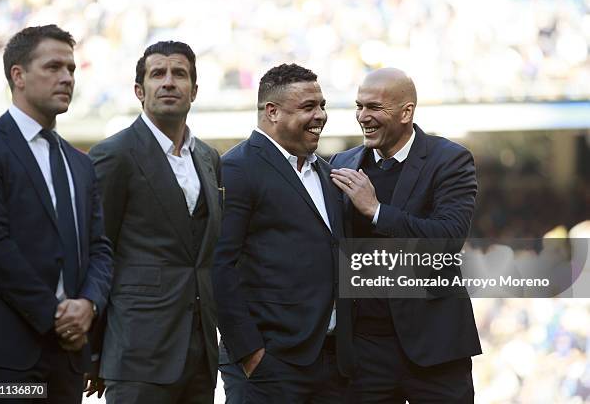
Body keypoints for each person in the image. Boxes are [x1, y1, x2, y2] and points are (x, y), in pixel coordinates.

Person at [0, 24, 112, 403]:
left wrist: (89, 304)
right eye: (53, 67)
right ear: (17, 75)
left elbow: (100, 248)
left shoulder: (80, 164)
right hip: (7, 360)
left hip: (68, 359)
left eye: (71, 69)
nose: (67, 77)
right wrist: (56, 315)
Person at [330, 68, 481, 403]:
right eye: (359, 106)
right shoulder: (342, 163)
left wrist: (377, 211)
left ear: (406, 112)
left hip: (435, 347)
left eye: (374, 107)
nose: (363, 117)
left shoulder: (449, 160)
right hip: (365, 351)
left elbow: (448, 239)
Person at [86, 41, 222, 404]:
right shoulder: (113, 155)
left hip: (201, 352)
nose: (168, 82)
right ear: (139, 90)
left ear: (194, 90)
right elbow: (97, 253)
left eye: (179, 74)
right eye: (157, 74)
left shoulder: (208, 157)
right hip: (135, 353)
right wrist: (94, 352)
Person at [213, 63, 354, 403]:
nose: (320, 115)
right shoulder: (236, 169)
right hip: (270, 366)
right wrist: (250, 353)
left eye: (322, 106)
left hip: (332, 364)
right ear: (272, 112)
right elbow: (218, 266)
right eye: (308, 107)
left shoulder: (328, 172)